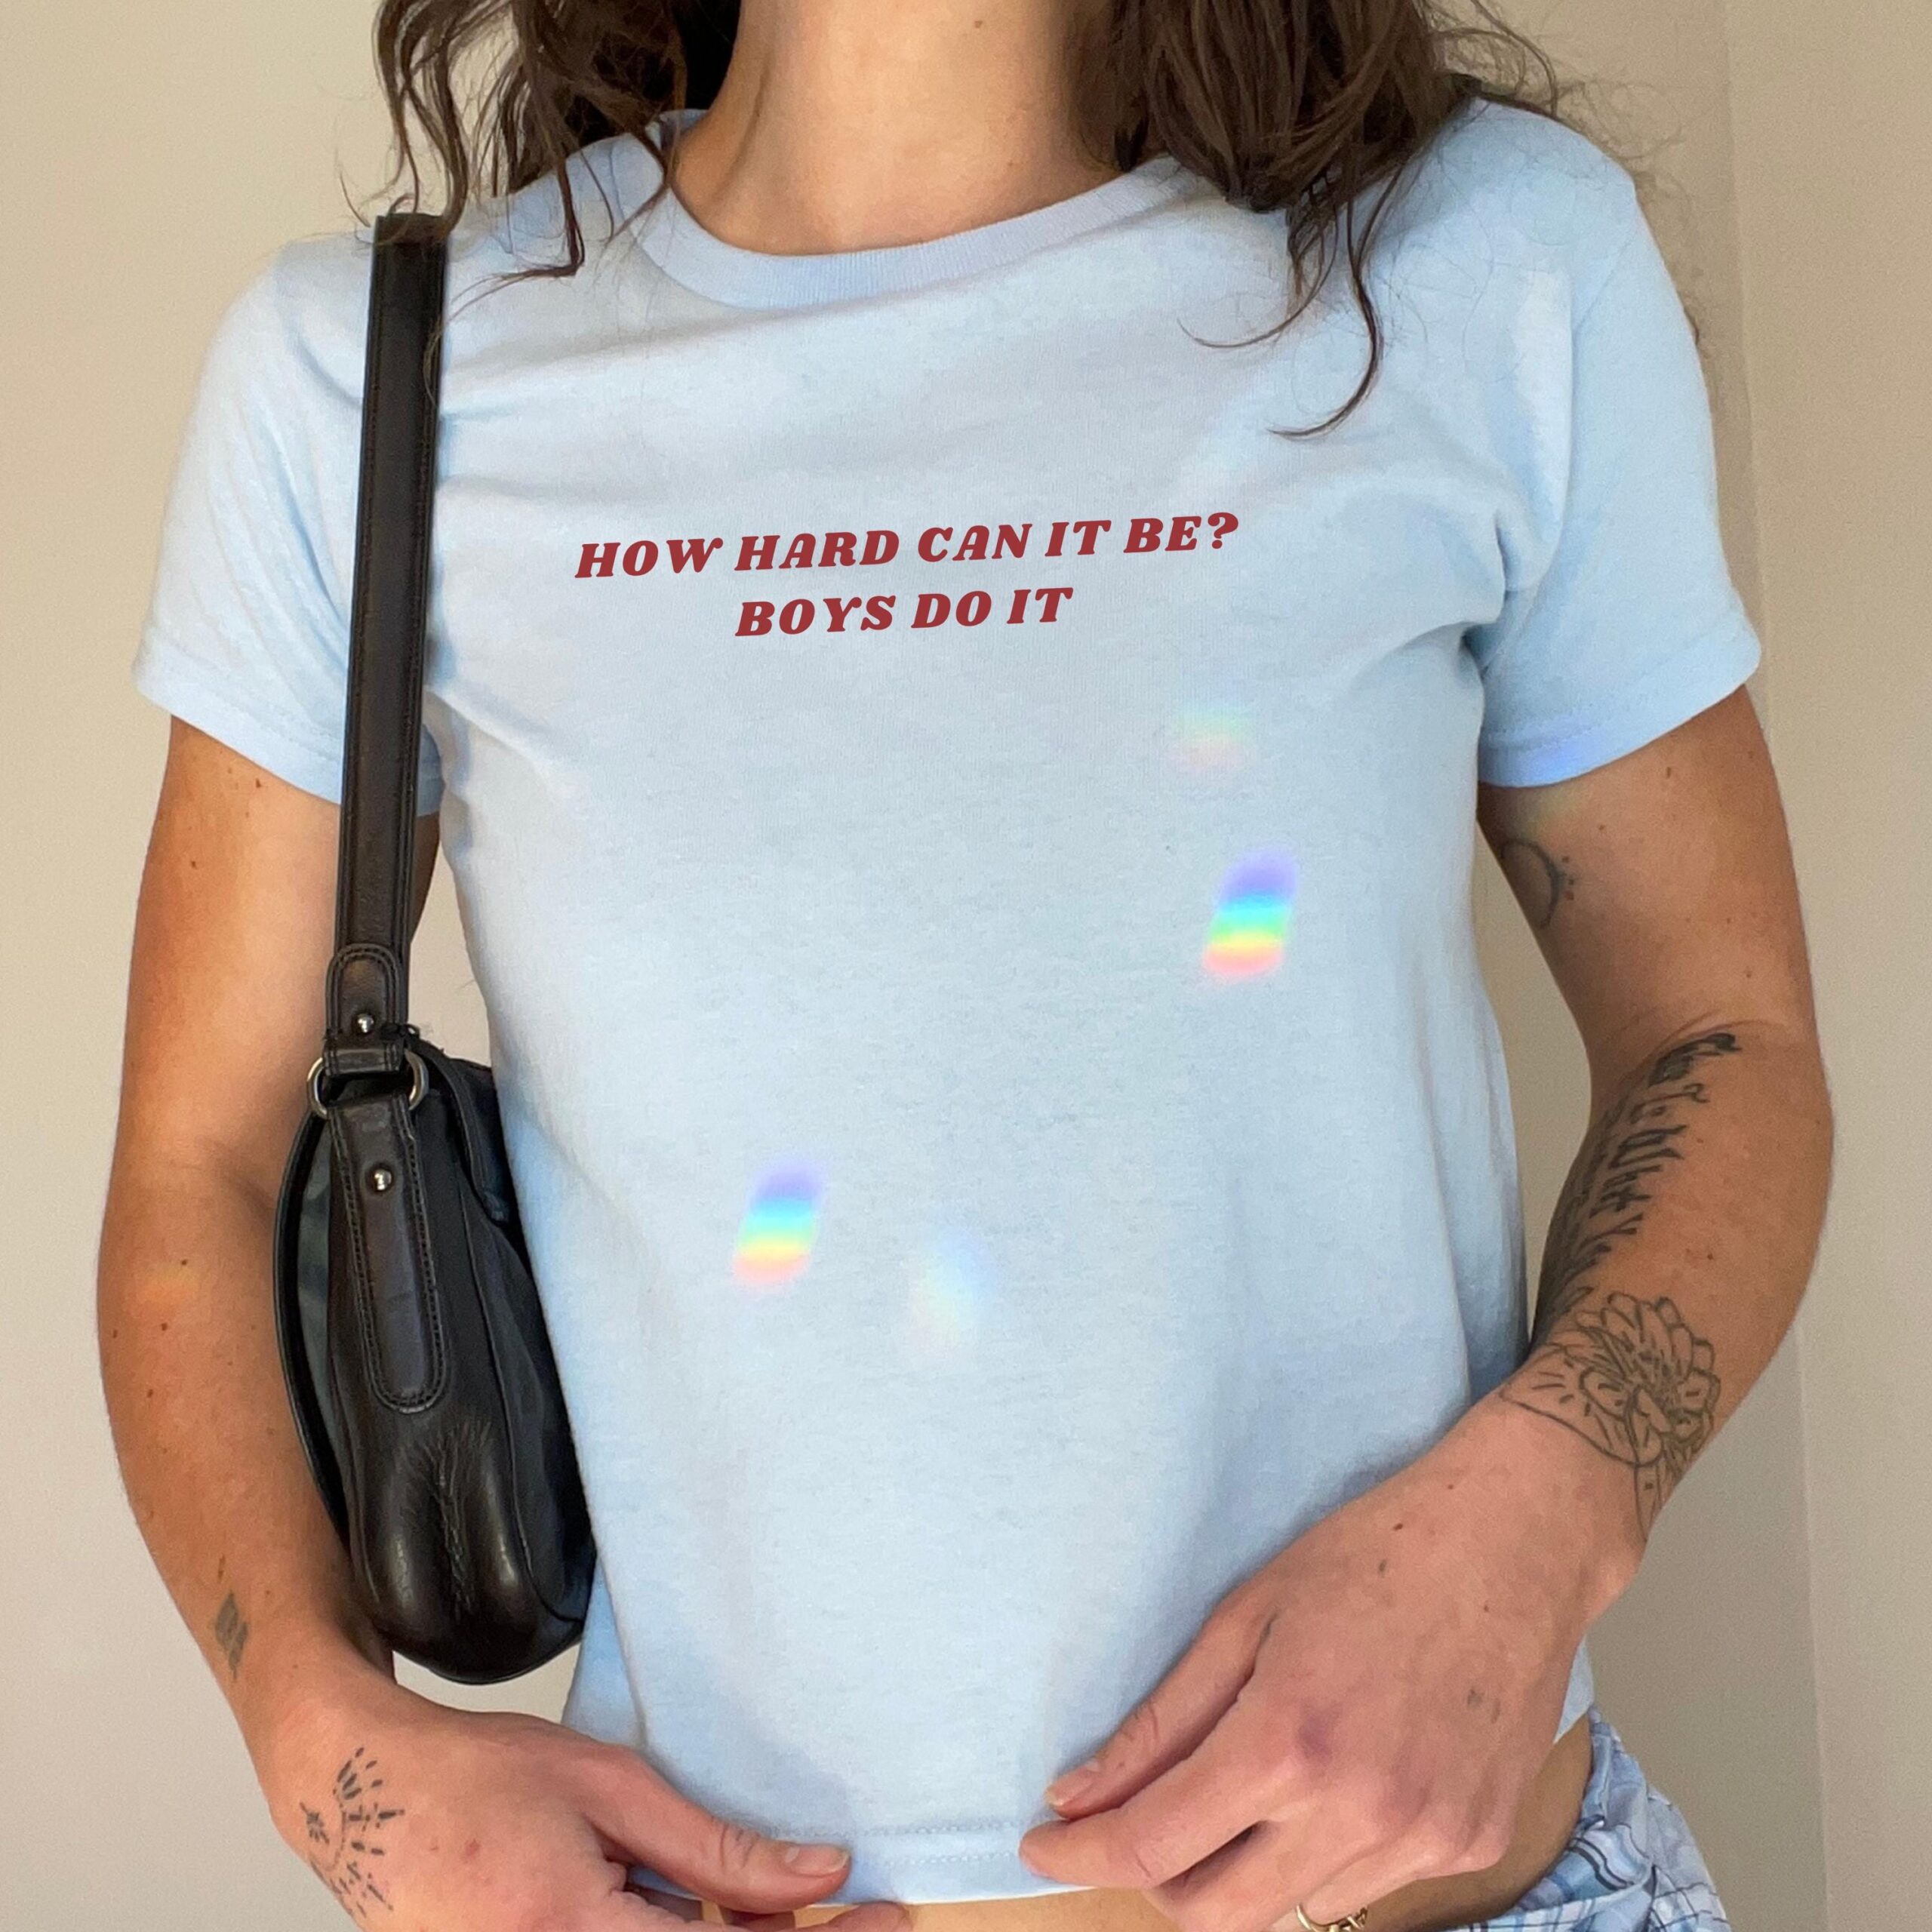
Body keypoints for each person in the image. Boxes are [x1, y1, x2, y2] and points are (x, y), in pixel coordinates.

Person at [98, 0, 1832, 1927]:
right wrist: (328, 1747)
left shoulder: (1477, 258)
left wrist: (1555, 1502)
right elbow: (202, 1166)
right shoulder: (375, 380)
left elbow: (1720, 1032)